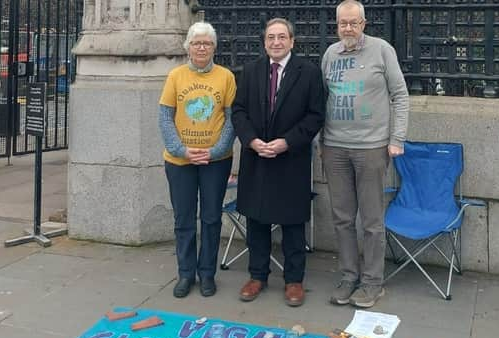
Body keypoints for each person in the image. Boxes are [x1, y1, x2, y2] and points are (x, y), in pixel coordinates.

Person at [321, 0, 409, 308]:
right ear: (337, 26)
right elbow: (322, 97)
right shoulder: (330, 54)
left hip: (371, 148)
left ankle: (373, 282)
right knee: (342, 218)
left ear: (364, 24)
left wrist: (396, 138)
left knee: (372, 220)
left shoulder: (382, 50)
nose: (348, 28)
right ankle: (349, 277)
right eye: (343, 23)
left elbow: (400, 94)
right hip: (334, 148)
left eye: (353, 23)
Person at [232, 18, 325, 307]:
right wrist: (251, 140)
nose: (276, 42)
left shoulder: (308, 73)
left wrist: (287, 142)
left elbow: (315, 116)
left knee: (292, 223)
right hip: (257, 157)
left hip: (290, 159)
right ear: (265, 42)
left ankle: (294, 281)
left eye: (281, 37)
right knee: (256, 220)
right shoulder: (250, 71)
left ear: (292, 41)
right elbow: (238, 111)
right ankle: (257, 275)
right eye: (271, 37)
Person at [158, 22, 236, 298]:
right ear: (188, 47)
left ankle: (207, 274)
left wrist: (214, 151)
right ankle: (186, 273)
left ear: (214, 47)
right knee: (184, 219)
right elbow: (165, 117)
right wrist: (181, 150)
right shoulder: (176, 76)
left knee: (212, 218)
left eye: (206, 43)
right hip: (180, 162)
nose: (201, 47)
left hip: (215, 161)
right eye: (196, 43)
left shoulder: (225, 77)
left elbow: (230, 118)